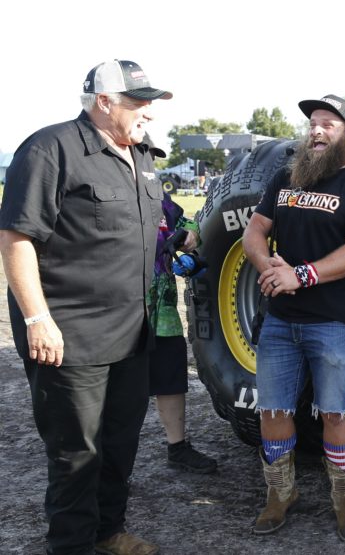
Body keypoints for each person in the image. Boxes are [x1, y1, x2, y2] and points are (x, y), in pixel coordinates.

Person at [0, 59, 171, 555]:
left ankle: (108, 531)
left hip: (132, 334)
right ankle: (70, 545)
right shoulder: (51, 149)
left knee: (119, 444)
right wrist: (37, 319)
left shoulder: (141, 155)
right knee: (77, 454)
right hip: (70, 337)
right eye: (139, 104)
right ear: (103, 102)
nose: (148, 115)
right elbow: (15, 238)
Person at [241, 94, 345, 541]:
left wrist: (300, 275)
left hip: (334, 322)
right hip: (281, 322)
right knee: (273, 409)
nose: (317, 130)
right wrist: (268, 268)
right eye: (313, 124)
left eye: (330, 124)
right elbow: (255, 230)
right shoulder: (285, 178)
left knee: (334, 412)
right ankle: (280, 494)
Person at [145, 142, 218, 474]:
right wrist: (165, 241)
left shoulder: (163, 203)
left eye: (152, 160)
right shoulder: (118, 200)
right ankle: (102, 457)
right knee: (118, 384)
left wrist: (188, 236)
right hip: (126, 310)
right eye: (142, 157)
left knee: (172, 378)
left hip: (164, 315)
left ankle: (178, 447)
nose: (149, 166)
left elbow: (190, 224)